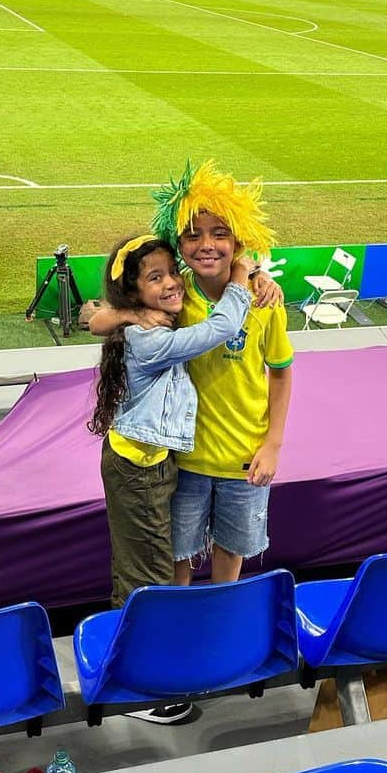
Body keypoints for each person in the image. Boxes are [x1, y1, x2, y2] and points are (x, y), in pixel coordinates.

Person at [91, 160, 292, 587]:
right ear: (178, 242)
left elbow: (280, 372)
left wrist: (273, 443)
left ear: (239, 239)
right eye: (193, 234)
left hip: (245, 458)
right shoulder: (173, 296)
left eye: (221, 234)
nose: (207, 245)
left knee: (229, 553)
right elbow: (97, 317)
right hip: (183, 458)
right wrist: (135, 312)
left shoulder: (264, 301)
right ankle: (177, 629)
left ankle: (218, 626)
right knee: (176, 557)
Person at [89, 234, 253, 612]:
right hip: (139, 470)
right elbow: (221, 328)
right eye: (154, 278)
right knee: (150, 576)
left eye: (171, 272)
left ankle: (136, 650)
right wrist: (241, 276)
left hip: (148, 463)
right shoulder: (149, 340)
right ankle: (140, 658)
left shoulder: (148, 324)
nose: (170, 283)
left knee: (141, 567)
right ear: (133, 292)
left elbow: (99, 316)